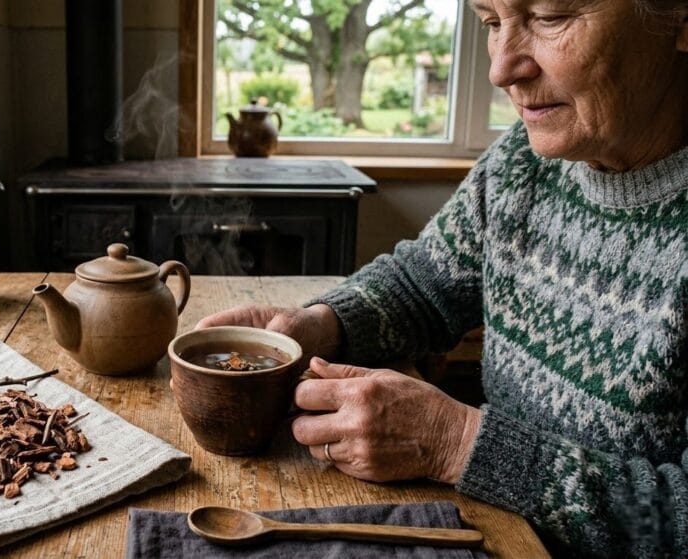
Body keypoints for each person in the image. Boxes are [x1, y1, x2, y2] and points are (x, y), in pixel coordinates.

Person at [196, 0, 688, 555]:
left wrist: (455, 443)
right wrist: (318, 323)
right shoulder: (522, 165)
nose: (501, 69)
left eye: (550, 17)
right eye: (491, 22)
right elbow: (425, 280)